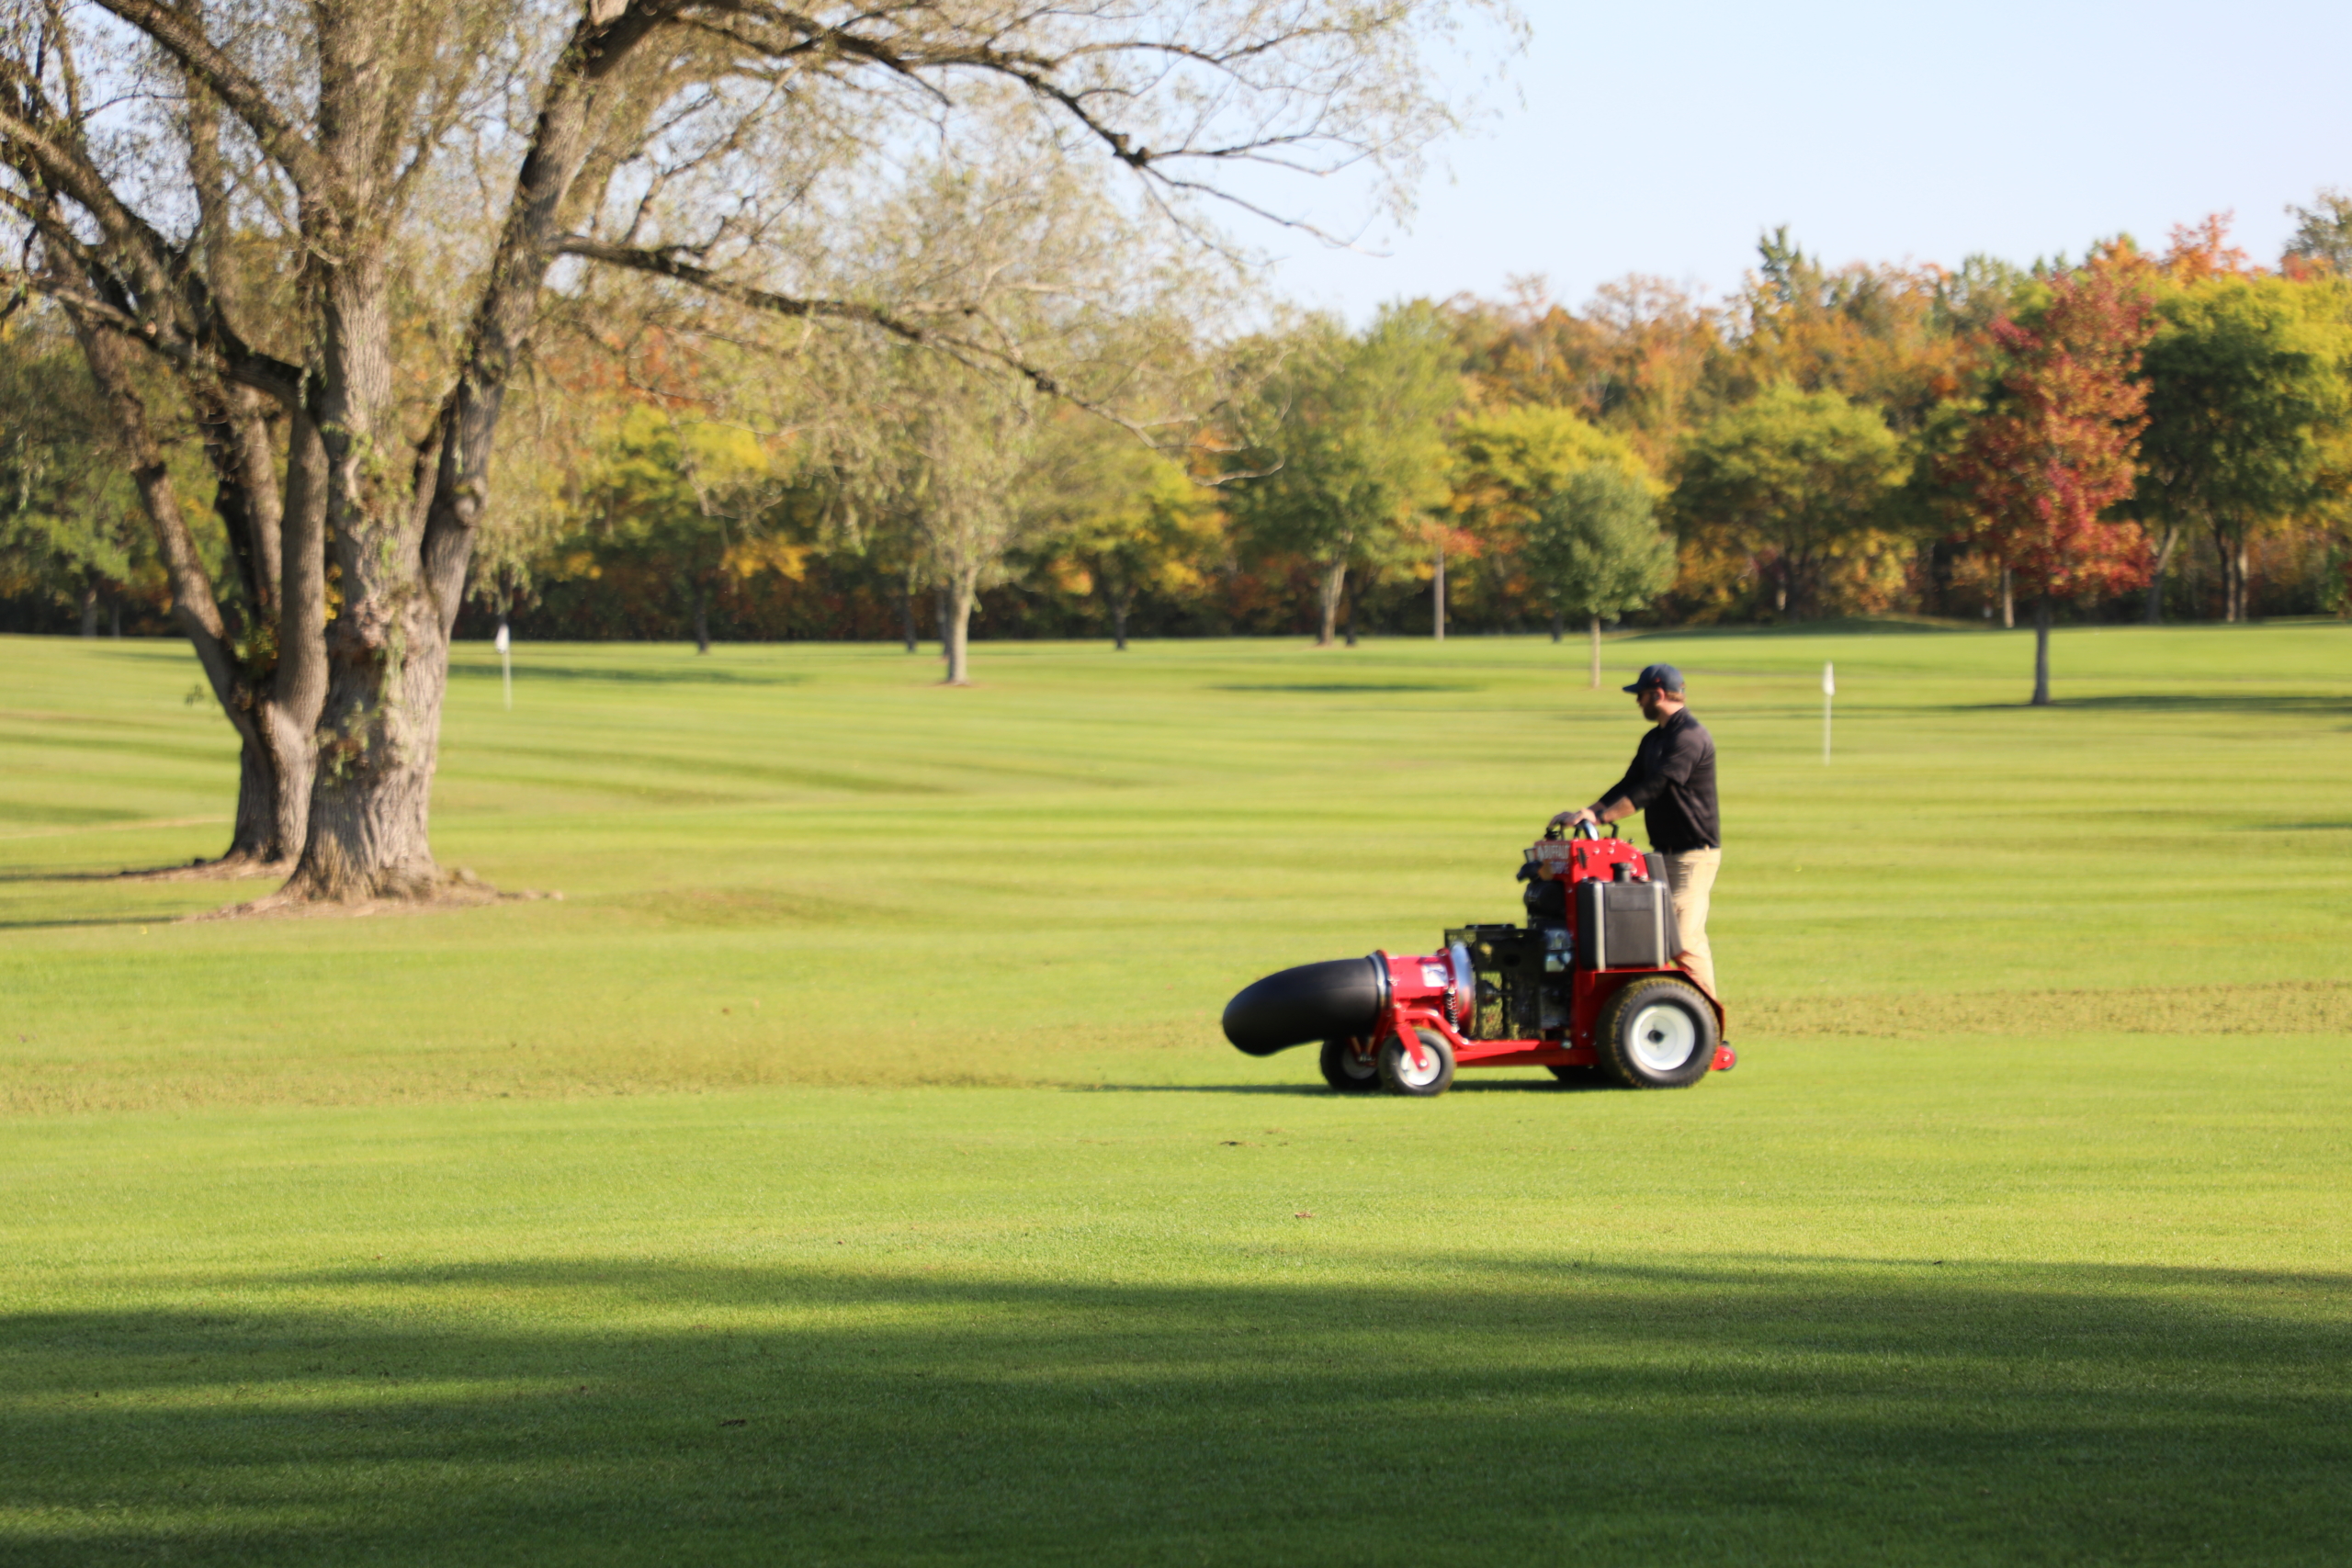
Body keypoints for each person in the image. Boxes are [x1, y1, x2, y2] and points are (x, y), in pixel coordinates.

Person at [1548, 663, 1722, 996]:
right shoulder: (1655, 738)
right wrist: (1590, 811)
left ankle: (1706, 1025)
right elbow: (1629, 783)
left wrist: (1601, 819)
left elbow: (1653, 788)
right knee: (1652, 939)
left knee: (1684, 941)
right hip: (1661, 856)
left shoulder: (1689, 737)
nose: (1637, 702)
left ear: (1657, 694)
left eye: (1640, 695)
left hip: (1692, 858)